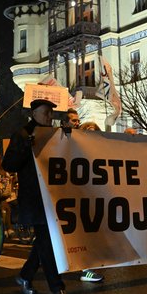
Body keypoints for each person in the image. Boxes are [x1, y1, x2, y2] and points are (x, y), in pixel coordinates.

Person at [3, 99, 68, 294]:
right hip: (34, 198)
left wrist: (69, 136)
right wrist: (25, 147)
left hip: (54, 196)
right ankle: (57, 289)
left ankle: (25, 275)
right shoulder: (22, 135)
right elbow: (9, 164)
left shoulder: (54, 134)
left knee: (43, 242)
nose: (50, 116)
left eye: (51, 113)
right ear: (35, 114)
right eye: (46, 112)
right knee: (47, 241)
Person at [64, 110, 105, 283]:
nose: (90, 133)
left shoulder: (103, 151)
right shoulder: (71, 147)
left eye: (93, 131)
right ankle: (86, 269)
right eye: (86, 130)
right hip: (79, 196)